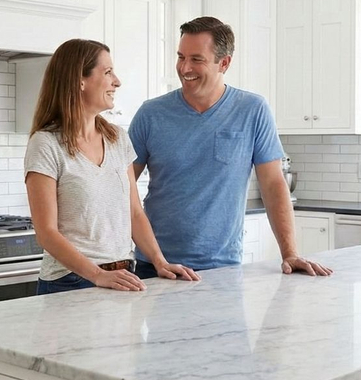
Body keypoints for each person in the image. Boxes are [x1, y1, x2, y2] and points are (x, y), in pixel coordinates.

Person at [128, 16, 333, 278]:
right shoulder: (151, 114)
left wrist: (290, 253)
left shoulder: (252, 110)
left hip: (223, 266)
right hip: (157, 266)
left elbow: (273, 184)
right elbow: (122, 185)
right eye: (181, 57)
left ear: (224, 63)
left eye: (196, 59)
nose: (184, 67)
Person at [24, 38, 200, 294]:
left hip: (124, 277)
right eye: (107, 72)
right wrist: (97, 275)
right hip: (70, 282)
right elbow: (46, 233)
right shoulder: (46, 144)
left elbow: (134, 212)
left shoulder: (117, 139)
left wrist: (159, 262)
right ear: (79, 80)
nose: (117, 81)